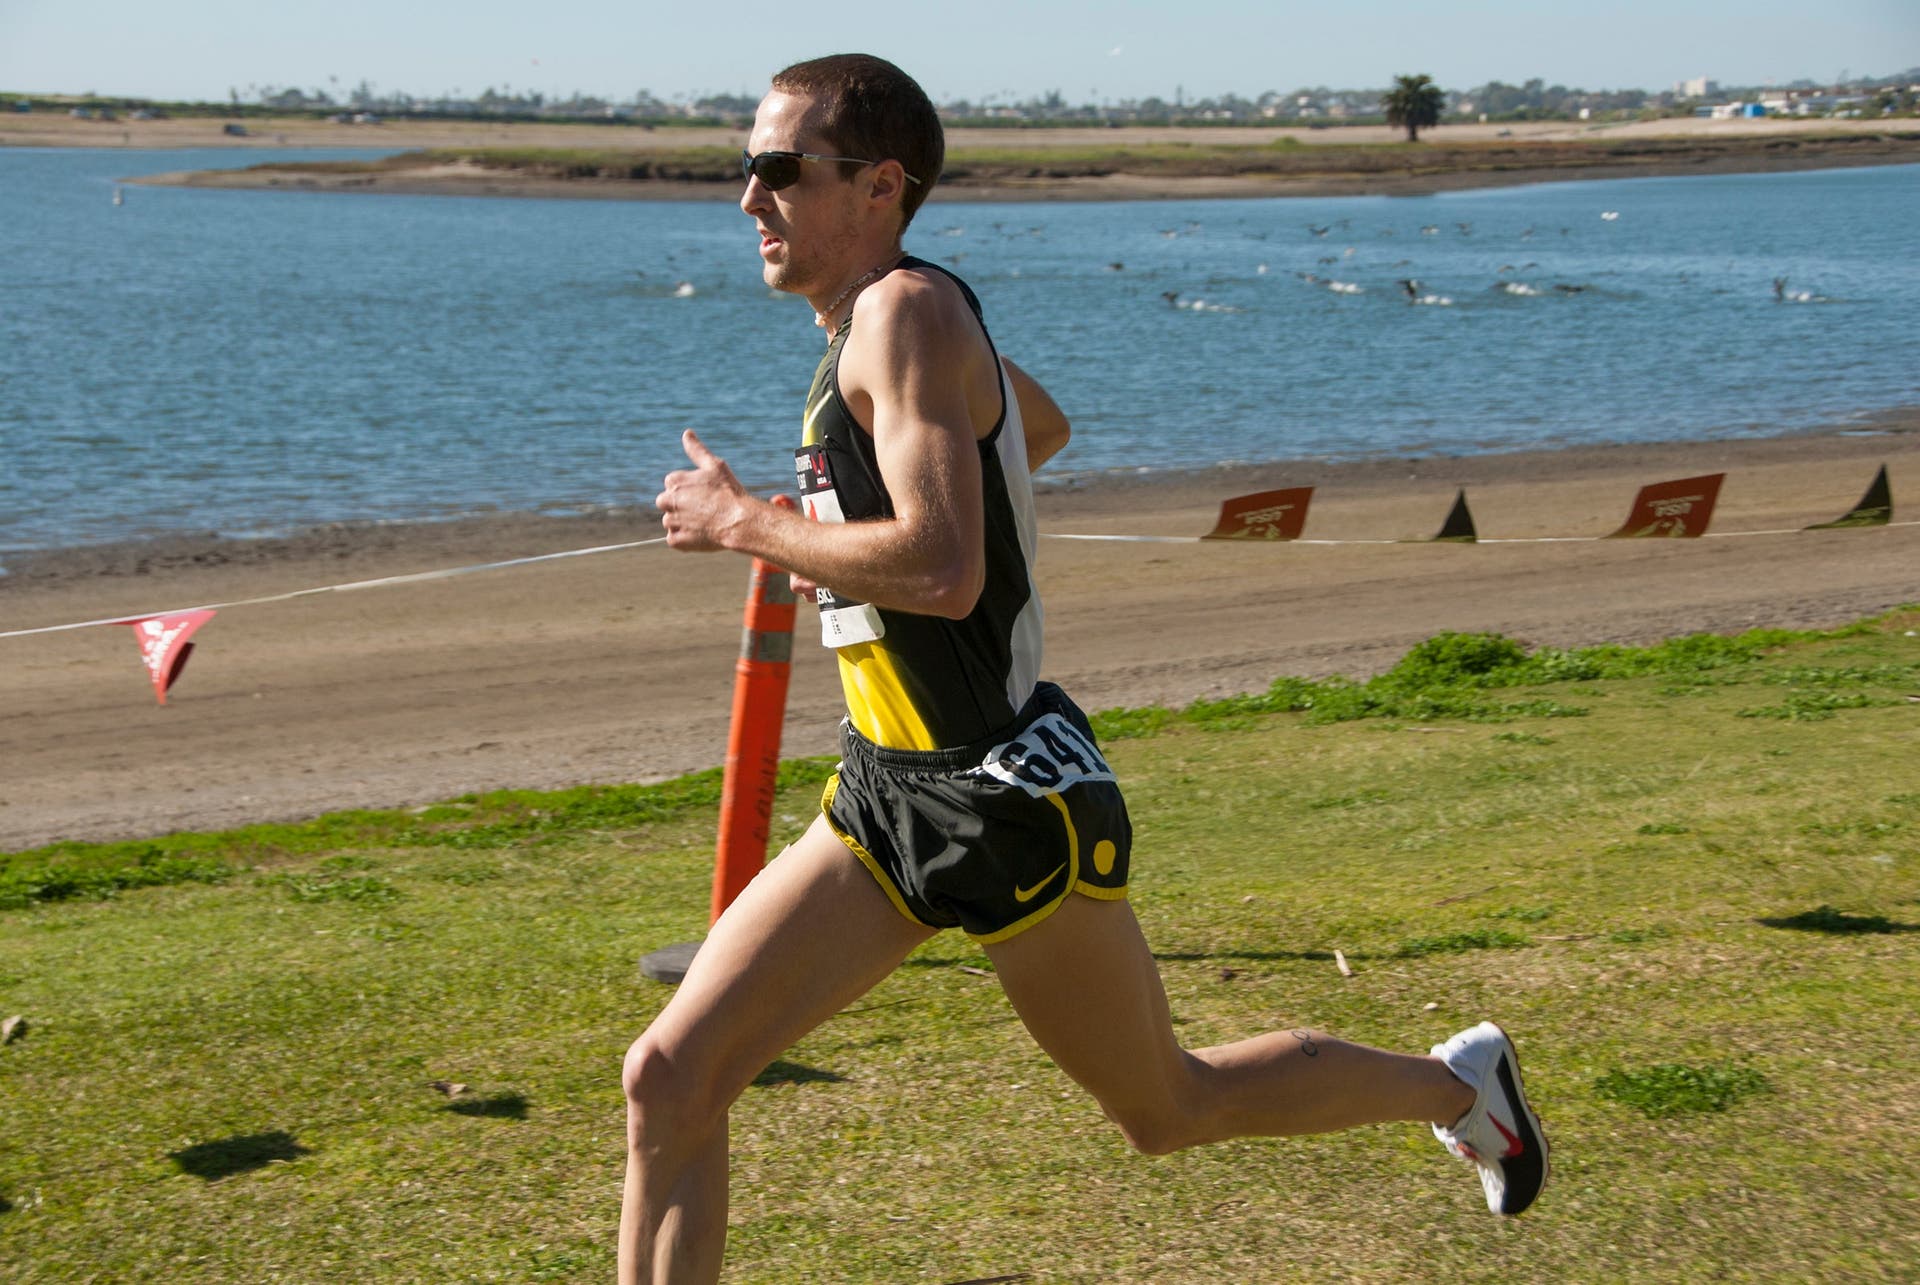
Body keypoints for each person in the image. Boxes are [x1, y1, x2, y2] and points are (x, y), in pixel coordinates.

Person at [628, 53, 1547, 1283]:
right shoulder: (884, 324)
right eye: (745, 170)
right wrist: (848, 554)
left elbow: (948, 566)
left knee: (1168, 1105)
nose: (749, 198)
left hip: (1003, 802)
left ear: (878, 188)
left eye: (779, 170)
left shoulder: (903, 311)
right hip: (885, 797)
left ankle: (1458, 1083)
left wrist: (753, 525)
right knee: (670, 1077)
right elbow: (1031, 433)